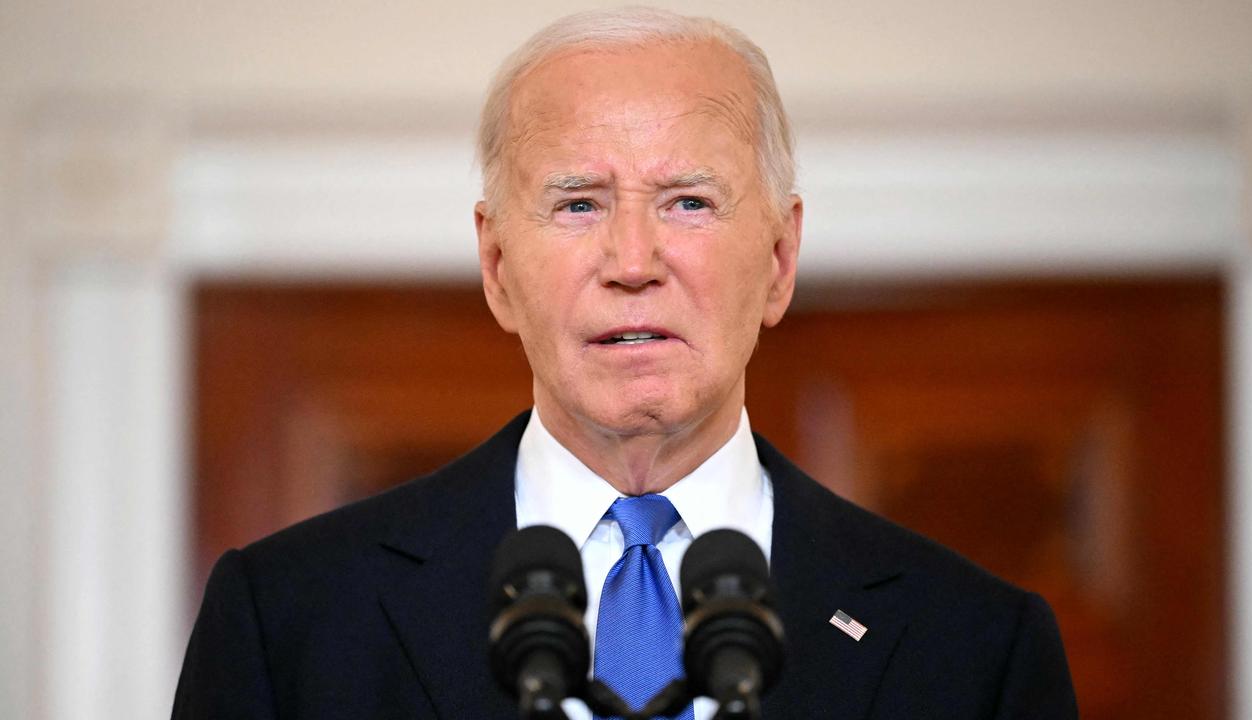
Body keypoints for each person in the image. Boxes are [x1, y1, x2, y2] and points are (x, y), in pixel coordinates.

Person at [172, 7, 1077, 719]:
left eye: (688, 202)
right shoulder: (289, 618)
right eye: (577, 204)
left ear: (778, 259)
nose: (634, 261)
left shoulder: (976, 645)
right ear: (495, 266)